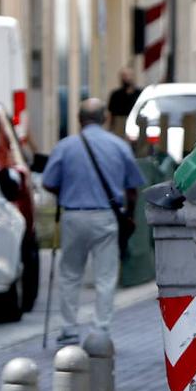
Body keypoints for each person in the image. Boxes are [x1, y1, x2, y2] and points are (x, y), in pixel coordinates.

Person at [42, 98, 146, 345]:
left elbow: (48, 181)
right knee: (106, 276)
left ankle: (68, 329)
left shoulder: (65, 147)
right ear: (105, 119)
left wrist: (67, 189)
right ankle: (101, 330)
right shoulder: (119, 146)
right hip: (105, 216)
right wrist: (128, 215)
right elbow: (133, 187)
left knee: (69, 274)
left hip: (73, 215)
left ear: (79, 120)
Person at [108, 66, 141, 139]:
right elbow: (110, 113)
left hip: (135, 121)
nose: (127, 78)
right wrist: (110, 128)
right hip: (120, 122)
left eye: (129, 75)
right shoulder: (115, 94)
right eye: (124, 76)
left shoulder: (139, 93)